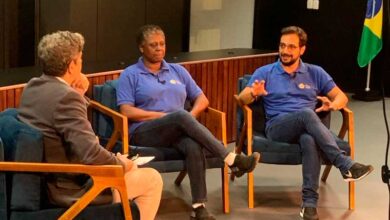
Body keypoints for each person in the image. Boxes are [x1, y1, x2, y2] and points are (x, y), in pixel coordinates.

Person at [116, 24, 260, 220]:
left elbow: (202, 99)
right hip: (145, 131)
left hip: (178, 128)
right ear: (142, 48)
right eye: (153, 45)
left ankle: (198, 206)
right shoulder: (130, 74)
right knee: (180, 116)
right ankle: (231, 160)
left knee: (192, 143)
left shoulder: (177, 70)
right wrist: (163, 117)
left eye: (162, 44)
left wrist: (188, 118)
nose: (159, 48)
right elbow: (126, 110)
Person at [18, 31, 163, 220]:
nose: (81, 63)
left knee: (131, 169)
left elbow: (59, 120)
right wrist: (120, 163)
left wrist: (78, 94)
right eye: (80, 59)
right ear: (71, 66)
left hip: (45, 182)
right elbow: (90, 154)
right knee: (151, 179)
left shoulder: (33, 86)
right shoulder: (66, 98)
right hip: (69, 188)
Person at [238, 26, 374, 220]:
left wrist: (333, 105)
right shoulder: (265, 72)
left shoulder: (315, 72)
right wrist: (253, 92)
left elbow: (341, 97)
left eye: (291, 47)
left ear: (302, 50)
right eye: (282, 46)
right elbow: (241, 99)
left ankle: (309, 204)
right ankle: (344, 164)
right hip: (277, 127)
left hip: (307, 128)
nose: (285, 51)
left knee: (309, 138)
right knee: (306, 114)